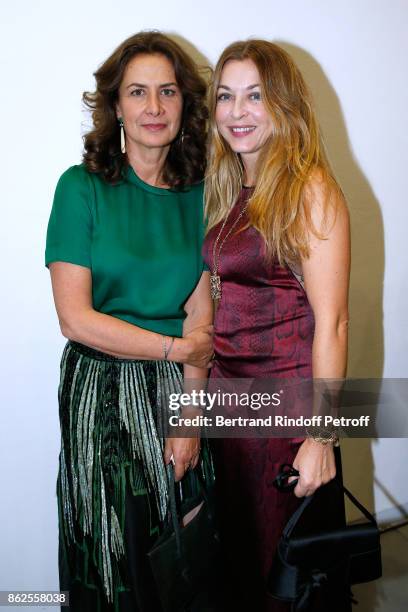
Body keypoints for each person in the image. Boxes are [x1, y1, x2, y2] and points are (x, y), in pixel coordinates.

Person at [45, 31, 214, 612]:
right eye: (138, 92)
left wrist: (190, 417)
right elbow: (75, 318)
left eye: (168, 92)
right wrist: (174, 352)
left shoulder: (199, 195)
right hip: (101, 391)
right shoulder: (80, 187)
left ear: (184, 104)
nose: (154, 108)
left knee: (179, 544)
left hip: (175, 389)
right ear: (115, 105)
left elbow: (201, 319)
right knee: (112, 552)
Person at [203, 40, 351, 611]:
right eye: (226, 96)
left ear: (283, 103)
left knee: (288, 584)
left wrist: (321, 437)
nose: (237, 112)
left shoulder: (309, 188)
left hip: (286, 421)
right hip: (231, 415)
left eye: (255, 96)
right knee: (242, 571)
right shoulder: (233, 191)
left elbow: (332, 324)